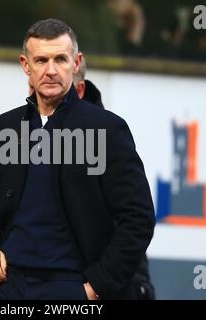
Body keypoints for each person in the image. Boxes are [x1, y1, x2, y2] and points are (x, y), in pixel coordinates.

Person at [0, 18, 155, 300]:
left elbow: (138, 218)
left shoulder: (107, 129)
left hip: (70, 286)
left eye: (60, 59)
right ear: (26, 66)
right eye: (41, 60)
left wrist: (96, 286)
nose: (51, 70)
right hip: (5, 285)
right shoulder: (8, 126)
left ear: (76, 63)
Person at [73, 57, 155, 299]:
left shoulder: (109, 136)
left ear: (78, 90)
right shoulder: (25, 134)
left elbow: (137, 220)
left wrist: (95, 286)